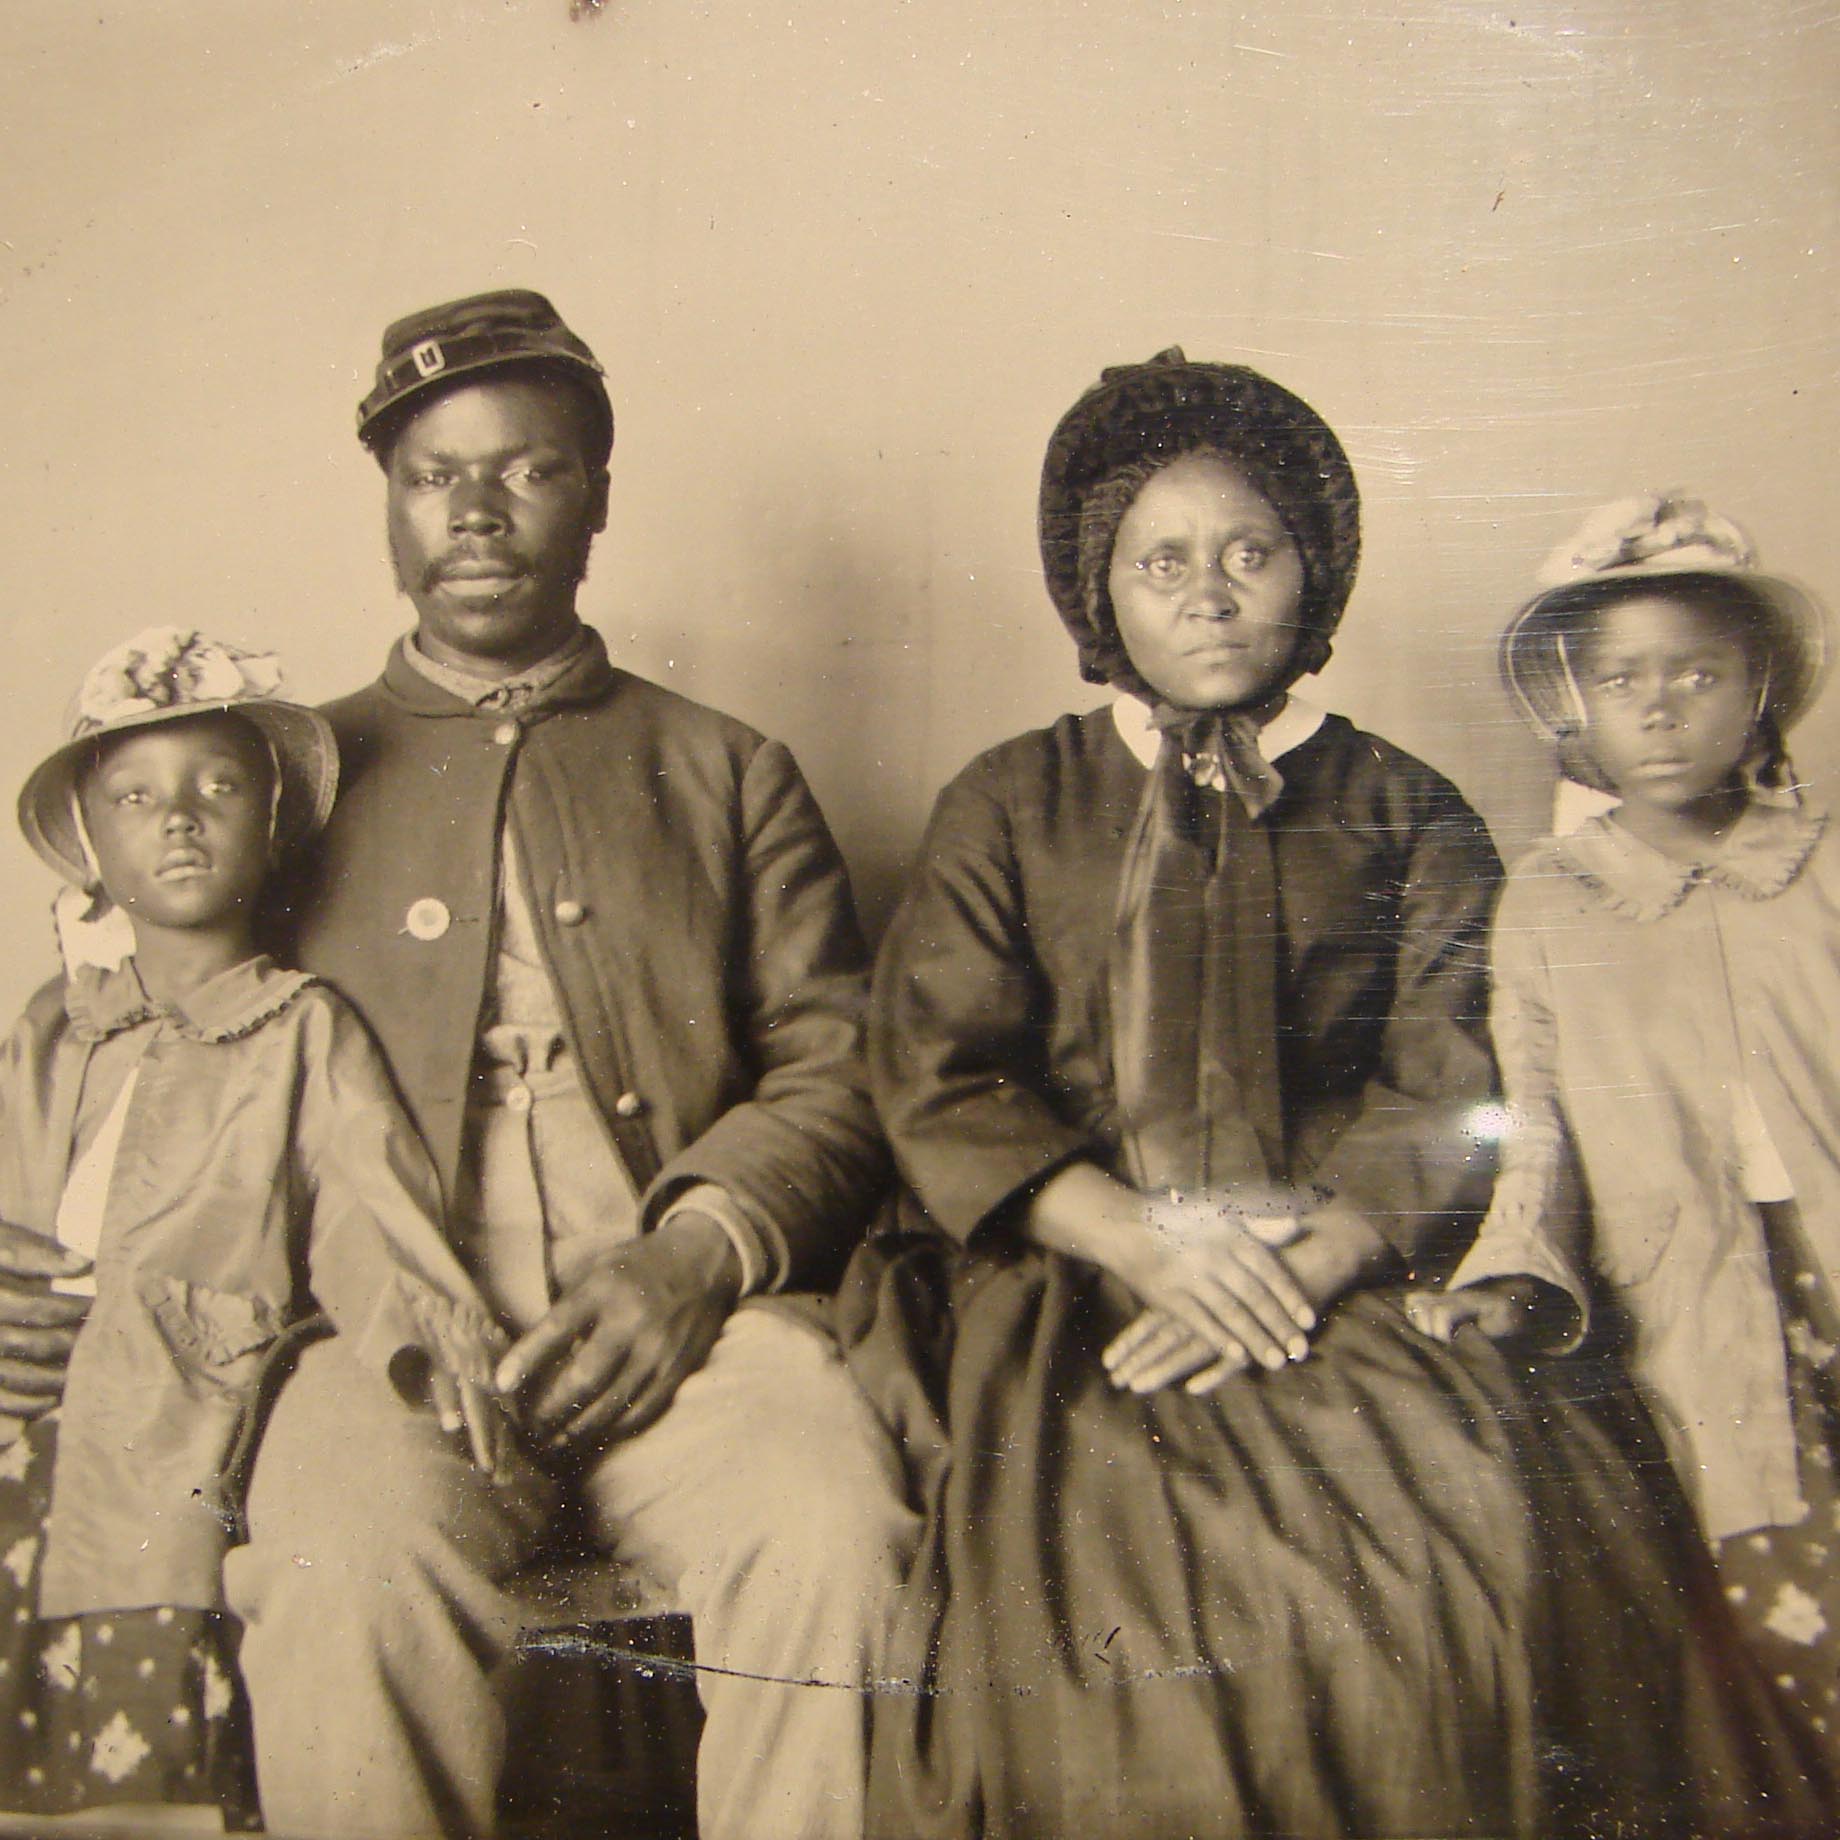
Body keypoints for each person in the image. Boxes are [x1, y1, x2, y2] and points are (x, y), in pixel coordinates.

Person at [835, 353, 1831, 1838]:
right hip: (1080, 1272)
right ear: (1100, 595)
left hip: (1343, 1268)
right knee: (1101, 1608)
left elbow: (1453, 1076)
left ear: (1316, 572)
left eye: (1251, 553)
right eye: (1161, 563)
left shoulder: (1405, 806)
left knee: (1481, 1542)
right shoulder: (1011, 801)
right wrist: (1136, 1240)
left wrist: (1317, 1257)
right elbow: (938, 1070)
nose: (1211, 594)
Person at [213, 290, 917, 1840]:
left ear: (597, 498)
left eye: (528, 470)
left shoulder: (725, 769)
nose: (475, 513)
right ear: (388, 506)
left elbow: (837, 1069)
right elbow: (187, 1047)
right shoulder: (283, 779)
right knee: (339, 1558)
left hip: (694, 1331)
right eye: (431, 476)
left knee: (835, 1535)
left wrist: (692, 1256)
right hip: (394, 1342)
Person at [0, 627, 505, 1827]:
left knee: (146, 1743)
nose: (178, 819)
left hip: (174, 1426)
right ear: (87, 842)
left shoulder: (299, 1031)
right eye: (136, 797)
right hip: (21, 1423)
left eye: (217, 789)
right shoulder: (52, 1032)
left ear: (272, 824)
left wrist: (426, 1344)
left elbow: (373, 1220)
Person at [1407, 494, 1840, 1769]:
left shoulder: (1820, 868)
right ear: (1573, 706)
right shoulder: (1552, 899)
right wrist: (1506, 1273)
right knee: (1773, 1612)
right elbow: (1529, 1117)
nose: (1658, 709)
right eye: (1619, 678)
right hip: (1689, 1296)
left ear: (1756, 690)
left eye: (1696, 673)